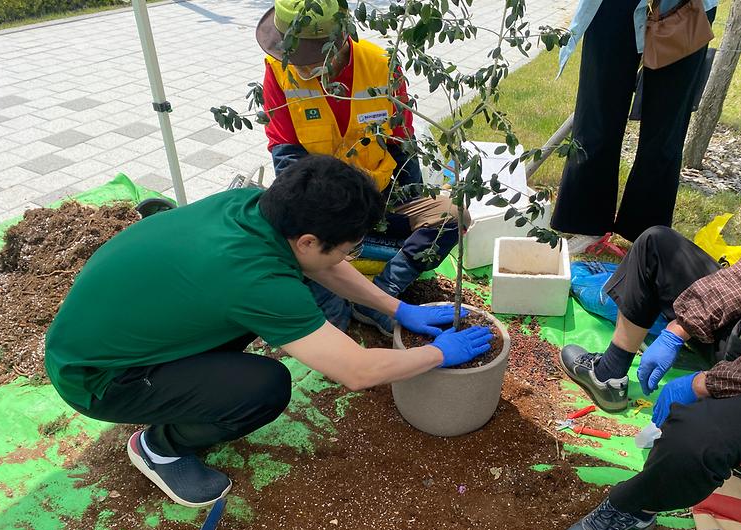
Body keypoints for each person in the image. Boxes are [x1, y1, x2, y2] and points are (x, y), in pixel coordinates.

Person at [44, 156, 493, 508]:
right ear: (307, 242)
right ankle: (158, 447)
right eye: (348, 246)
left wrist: (399, 308)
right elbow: (357, 371)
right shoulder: (255, 279)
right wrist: (440, 354)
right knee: (265, 387)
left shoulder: (254, 206)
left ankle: (173, 392)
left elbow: (325, 265)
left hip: (110, 332)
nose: (351, 255)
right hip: (97, 378)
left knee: (250, 322)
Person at [555, 224, 741, 530]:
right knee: (655, 245)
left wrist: (708, 383)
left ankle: (636, 509)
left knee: (693, 440)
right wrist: (680, 328)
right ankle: (609, 374)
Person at [255, 0, 467, 336]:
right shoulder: (278, 71)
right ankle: (331, 303)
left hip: (382, 197)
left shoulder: (382, 66)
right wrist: (326, 220)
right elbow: (285, 153)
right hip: (322, 208)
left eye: (308, 59)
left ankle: (378, 296)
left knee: (450, 216)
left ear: (339, 40)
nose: (299, 67)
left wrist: (405, 206)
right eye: (291, 56)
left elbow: (401, 145)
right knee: (289, 243)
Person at [551, 0, 717, 252]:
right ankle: (585, 222)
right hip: (612, 5)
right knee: (596, 115)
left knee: (666, 128)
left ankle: (644, 233)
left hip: (686, 5)